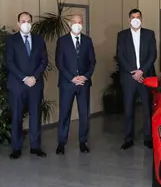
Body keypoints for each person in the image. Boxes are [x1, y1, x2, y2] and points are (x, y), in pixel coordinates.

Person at [5, 12, 48, 159]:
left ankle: (35, 147)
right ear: (18, 23)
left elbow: (44, 61)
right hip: (17, 85)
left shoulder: (39, 40)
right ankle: (16, 148)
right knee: (17, 116)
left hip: (35, 84)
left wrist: (34, 77)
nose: (26, 23)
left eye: (29, 21)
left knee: (36, 116)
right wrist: (24, 78)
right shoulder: (11, 40)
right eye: (23, 21)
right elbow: (9, 62)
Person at [115, 8, 157, 150]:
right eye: (133, 17)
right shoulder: (122, 35)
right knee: (128, 108)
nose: (135, 19)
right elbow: (120, 56)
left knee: (147, 108)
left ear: (141, 19)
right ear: (129, 20)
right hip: (128, 77)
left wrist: (141, 71)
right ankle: (128, 138)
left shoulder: (149, 34)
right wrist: (133, 72)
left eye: (138, 17)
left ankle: (148, 138)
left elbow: (153, 55)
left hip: (145, 77)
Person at [54, 14, 96, 155]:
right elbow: (59, 62)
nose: (77, 24)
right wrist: (72, 78)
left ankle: (83, 141)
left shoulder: (88, 41)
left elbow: (92, 62)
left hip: (84, 83)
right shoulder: (62, 41)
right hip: (67, 83)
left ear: (83, 24)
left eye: (79, 22)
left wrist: (85, 76)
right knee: (65, 113)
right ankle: (61, 142)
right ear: (70, 24)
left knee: (84, 114)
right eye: (74, 22)